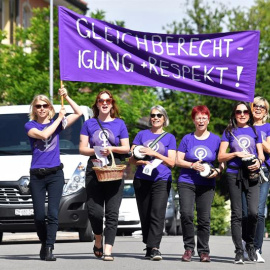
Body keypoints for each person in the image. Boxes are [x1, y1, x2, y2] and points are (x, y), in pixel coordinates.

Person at [25, 87, 82, 261]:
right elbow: (43, 135)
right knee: (39, 215)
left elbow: (78, 112)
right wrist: (58, 119)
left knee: (53, 213)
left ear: (50, 108)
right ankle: (44, 242)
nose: (41, 108)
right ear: (34, 109)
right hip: (37, 175)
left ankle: (49, 247)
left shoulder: (57, 123)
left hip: (55, 174)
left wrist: (66, 96)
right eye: (38, 106)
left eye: (45, 105)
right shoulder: (30, 126)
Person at [79, 90, 130, 261]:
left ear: (112, 103)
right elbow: (82, 148)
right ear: (97, 104)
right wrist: (97, 150)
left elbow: (126, 148)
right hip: (94, 170)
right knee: (95, 212)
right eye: (101, 100)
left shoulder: (119, 124)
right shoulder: (89, 123)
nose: (105, 103)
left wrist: (112, 149)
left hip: (114, 170)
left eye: (108, 100)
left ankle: (108, 250)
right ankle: (98, 238)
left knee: (112, 213)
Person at [218, 101, 264, 264]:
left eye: (245, 111)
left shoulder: (254, 130)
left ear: (249, 114)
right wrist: (235, 154)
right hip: (233, 174)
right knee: (237, 214)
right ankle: (238, 250)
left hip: (252, 173)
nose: (242, 114)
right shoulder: (229, 131)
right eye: (239, 112)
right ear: (234, 114)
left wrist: (258, 163)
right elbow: (221, 156)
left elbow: (261, 155)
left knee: (253, 213)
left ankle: (249, 243)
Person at [176, 105, 223, 263]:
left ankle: (204, 251)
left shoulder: (216, 139)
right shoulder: (187, 139)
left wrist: (218, 170)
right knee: (186, 214)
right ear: (194, 121)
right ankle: (189, 249)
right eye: (198, 118)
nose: (201, 121)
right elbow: (177, 160)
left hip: (207, 184)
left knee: (204, 218)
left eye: (204, 118)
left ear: (208, 120)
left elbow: (221, 161)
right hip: (187, 181)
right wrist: (191, 165)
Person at [129, 105, 176, 261]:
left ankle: (155, 248)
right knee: (145, 213)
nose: (155, 118)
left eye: (159, 115)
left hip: (161, 179)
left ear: (164, 118)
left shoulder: (169, 137)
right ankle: (149, 245)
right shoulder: (141, 134)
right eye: (153, 115)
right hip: (142, 179)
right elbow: (131, 158)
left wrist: (154, 153)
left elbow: (172, 162)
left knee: (157, 213)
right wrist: (140, 161)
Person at [242, 97, 270, 263]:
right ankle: (246, 245)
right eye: (256, 106)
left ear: (266, 112)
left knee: (259, 212)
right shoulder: (243, 125)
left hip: (264, 171)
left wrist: (258, 137)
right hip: (243, 171)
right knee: (246, 213)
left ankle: (257, 249)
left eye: (262, 107)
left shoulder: (267, 127)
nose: (258, 108)